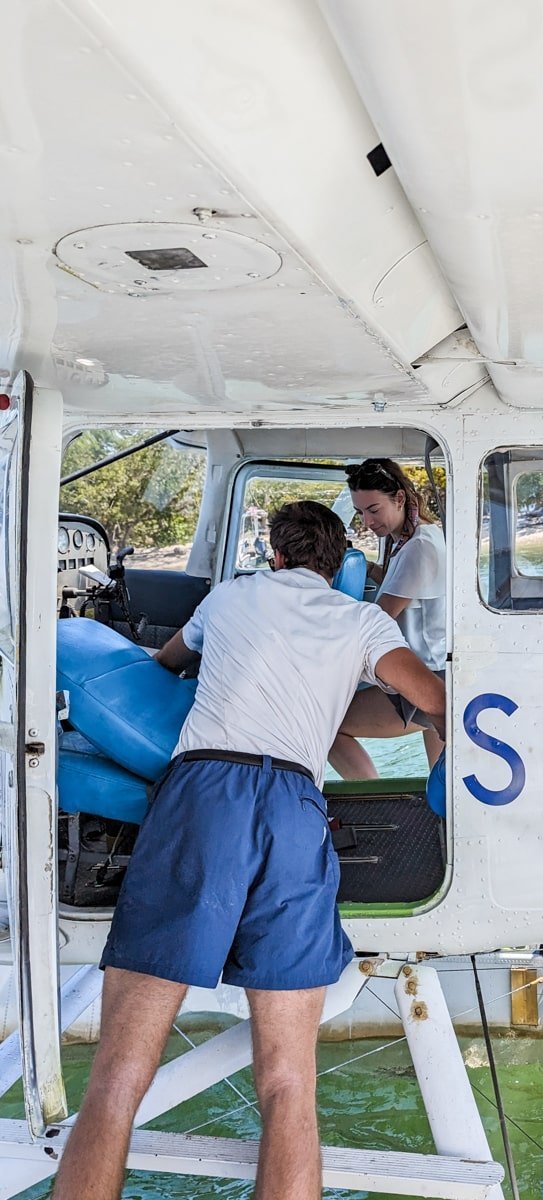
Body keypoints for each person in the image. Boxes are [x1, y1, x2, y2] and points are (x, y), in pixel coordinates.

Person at [53, 500, 446, 1200]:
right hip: (296, 807)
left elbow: (171, 662)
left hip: (206, 794)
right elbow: (431, 697)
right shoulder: (361, 619)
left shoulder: (230, 595)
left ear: (277, 554)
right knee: (290, 1084)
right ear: (339, 567)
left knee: (117, 1076)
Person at [328, 458, 446, 780]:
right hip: (429, 669)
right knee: (443, 784)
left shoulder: (419, 548)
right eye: (361, 512)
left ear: (399, 498)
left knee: (328, 724)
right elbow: (398, 583)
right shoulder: (410, 538)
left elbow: (380, 618)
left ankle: (373, 799)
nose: (367, 521)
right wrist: (365, 567)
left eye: (373, 510)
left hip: (423, 678)